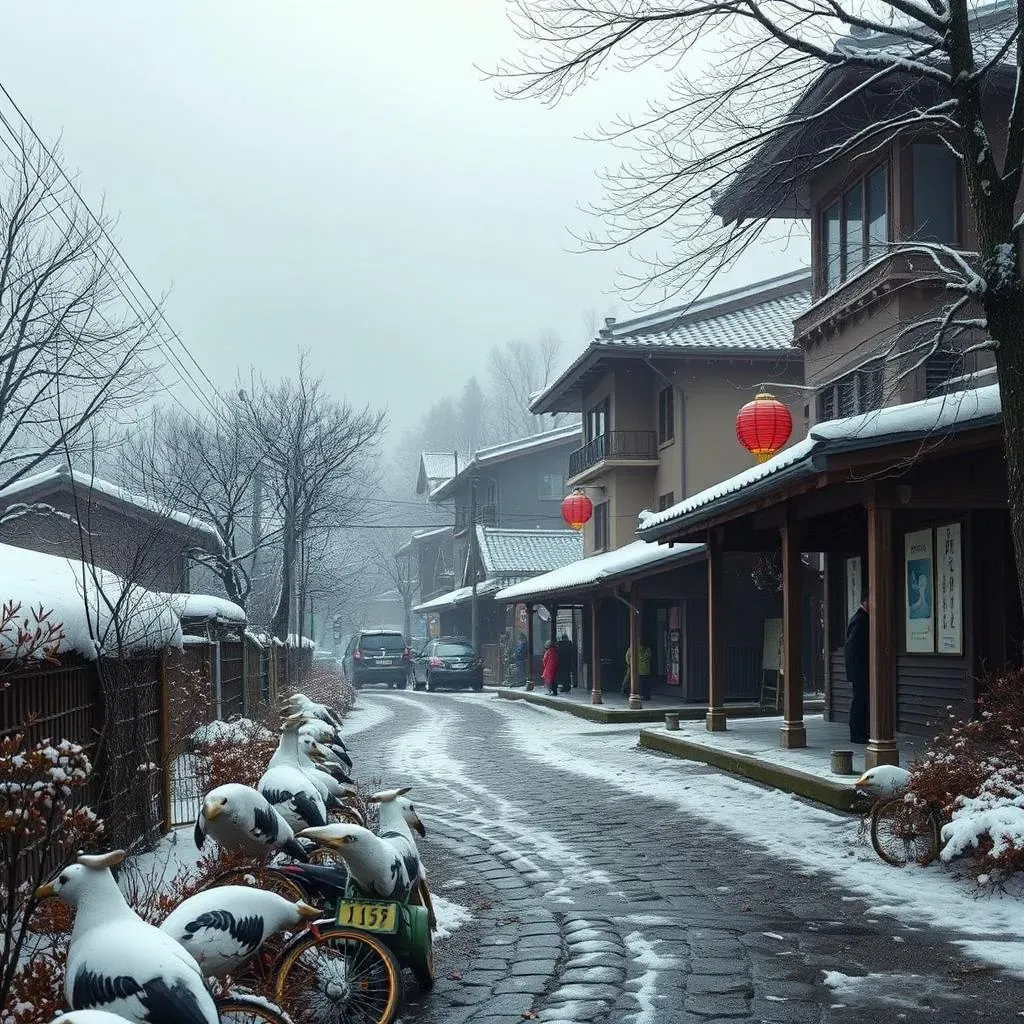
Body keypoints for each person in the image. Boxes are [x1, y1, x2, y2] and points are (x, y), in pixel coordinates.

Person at [845, 589, 870, 744]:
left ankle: (860, 732)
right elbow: (853, 646)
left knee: (860, 700)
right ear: (866, 601)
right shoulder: (861, 619)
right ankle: (857, 734)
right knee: (859, 700)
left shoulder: (859, 617)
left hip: (858, 668)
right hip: (859, 668)